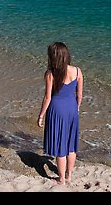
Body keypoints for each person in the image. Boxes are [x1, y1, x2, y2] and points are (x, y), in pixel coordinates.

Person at [37, 42, 83, 184]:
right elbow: (79, 95)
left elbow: (48, 97)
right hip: (71, 108)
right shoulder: (77, 71)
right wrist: (76, 108)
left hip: (57, 109)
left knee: (60, 145)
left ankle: (61, 179)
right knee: (70, 144)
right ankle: (69, 175)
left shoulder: (50, 74)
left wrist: (41, 115)